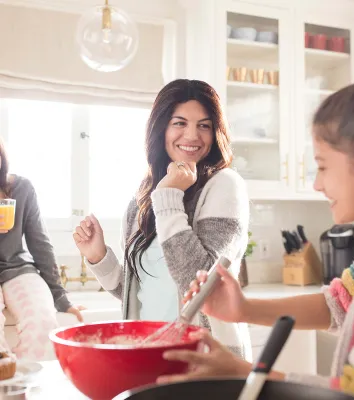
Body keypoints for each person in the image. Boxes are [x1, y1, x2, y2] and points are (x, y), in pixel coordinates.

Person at [157, 69, 354, 399]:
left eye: (323, 165)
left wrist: (246, 374)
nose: (316, 183)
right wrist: (243, 309)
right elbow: (338, 303)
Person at [73, 79, 251, 359]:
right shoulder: (143, 198)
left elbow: (203, 286)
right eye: (179, 123)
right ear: (161, 128)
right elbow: (139, 291)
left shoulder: (224, 185)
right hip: (148, 354)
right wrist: (99, 257)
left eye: (204, 125)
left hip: (206, 360)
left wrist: (168, 196)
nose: (192, 135)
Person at [0, 139, 83, 361]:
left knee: (42, 322)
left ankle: (19, 383)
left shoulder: (20, 189)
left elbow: (40, 242)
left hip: (17, 269)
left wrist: (60, 296)